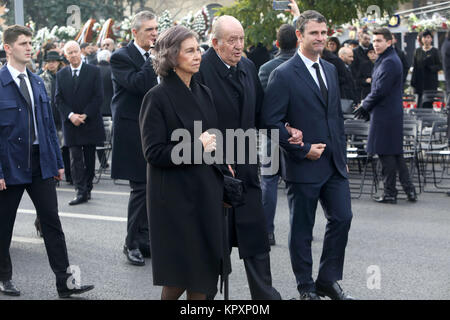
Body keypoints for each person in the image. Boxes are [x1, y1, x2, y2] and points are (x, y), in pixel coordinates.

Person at [195, 15, 298, 300]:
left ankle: (266, 298)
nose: (239, 45)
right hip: (214, 171)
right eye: (232, 40)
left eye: (241, 39)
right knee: (216, 245)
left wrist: (286, 131)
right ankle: (203, 299)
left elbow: (262, 115)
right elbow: (193, 123)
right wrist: (213, 157)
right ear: (215, 43)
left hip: (246, 166)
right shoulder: (200, 69)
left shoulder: (248, 66)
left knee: (255, 238)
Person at [261, 10, 354, 300]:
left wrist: (342, 153)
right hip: (303, 165)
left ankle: (327, 279)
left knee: (343, 218)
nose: (321, 38)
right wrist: (302, 149)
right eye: (314, 33)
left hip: (334, 163)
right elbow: (270, 122)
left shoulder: (328, 69)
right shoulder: (283, 74)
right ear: (299, 36)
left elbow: (335, 117)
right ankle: (306, 288)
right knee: (302, 229)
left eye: (324, 33)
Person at [0, 25, 94, 298]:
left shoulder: (38, 81)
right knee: (4, 226)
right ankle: (4, 277)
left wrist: (56, 161)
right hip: (11, 164)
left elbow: (48, 127)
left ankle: (65, 284)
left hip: (40, 162)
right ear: (8, 48)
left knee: (52, 223)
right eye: (22, 43)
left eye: (30, 42)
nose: (29, 47)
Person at [140, 25, 231, 300]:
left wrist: (223, 167)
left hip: (206, 193)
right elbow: (153, 152)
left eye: (199, 49)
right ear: (171, 56)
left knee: (203, 277)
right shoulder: (156, 98)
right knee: (180, 277)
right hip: (176, 200)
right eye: (190, 51)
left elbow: (212, 139)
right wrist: (196, 147)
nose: (198, 55)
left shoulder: (204, 93)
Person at [110, 11, 158, 266]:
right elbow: (139, 84)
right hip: (131, 132)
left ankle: (145, 239)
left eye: (155, 29)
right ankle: (131, 243)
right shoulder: (121, 57)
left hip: (153, 130)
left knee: (152, 187)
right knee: (140, 188)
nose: (154, 34)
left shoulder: (155, 56)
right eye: (149, 30)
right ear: (135, 32)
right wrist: (152, 58)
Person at [354, 28, 417, 204]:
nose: (376, 44)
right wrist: (367, 105)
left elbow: (380, 90)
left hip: (385, 113)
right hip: (388, 112)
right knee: (395, 153)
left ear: (389, 42)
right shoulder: (387, 58)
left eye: (380, 40)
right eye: (374, 41)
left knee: (385, 153)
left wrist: (365, 105)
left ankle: (390, 193)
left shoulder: (389, 61)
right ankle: (409, 190)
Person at [258, 23, 298, 246]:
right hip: (299, 132)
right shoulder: (304, 66)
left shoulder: (266, 68)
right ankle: (301, 228)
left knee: (269, 182)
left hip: (272, 132)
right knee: (297, 183)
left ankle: (267, 231)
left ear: (277, 43)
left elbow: (264, 103)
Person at [55, 40, 105, 206]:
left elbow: (98, 97)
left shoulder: (94, 71)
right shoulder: (61, 74)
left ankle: (88, 188)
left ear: (81, 52)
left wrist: (84, 115)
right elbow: (58, 99)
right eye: (70, 52)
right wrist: (71, 115)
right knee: (75, 158)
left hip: (89, 122)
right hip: (71, 123)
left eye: (76, 51)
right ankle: (80, 191)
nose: (74, 55)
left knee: (90, 158)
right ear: (65, 55)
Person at [411, 29, 442, 108]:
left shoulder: (435, 51)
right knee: (419, 103)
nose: (426, 39)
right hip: (419, 82)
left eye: (428, 37)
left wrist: (431, 67)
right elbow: (415, 66)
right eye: (424, 37)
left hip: (430, 82)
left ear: (431, 39)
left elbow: (440, 65)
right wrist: (413, 81)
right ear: (421, 39)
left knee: (428, 103)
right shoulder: (417, 51)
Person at [96, 49, 114, 169]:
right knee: (113, 138)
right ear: (109, 59)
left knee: (99, 139)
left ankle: (102, 162)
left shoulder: (93, 70)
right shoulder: (113, 70)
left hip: (97, 109)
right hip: (111, 109)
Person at [351, 30, 372, 99]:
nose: (367, 41)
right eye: (365, 39)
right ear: (360, 39)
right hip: (359, 85)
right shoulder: (354, 52)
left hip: (371, 84)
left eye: (369, 39)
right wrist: (362, 80)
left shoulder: (373, 50)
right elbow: (353, 69)